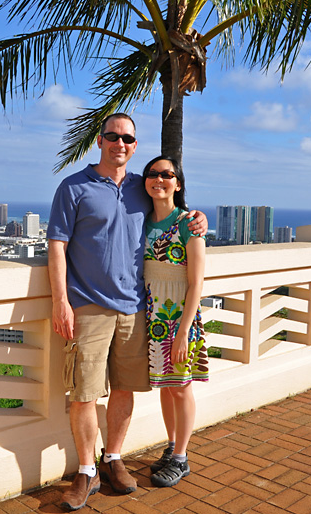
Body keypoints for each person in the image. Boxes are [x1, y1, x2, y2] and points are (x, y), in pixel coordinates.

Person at [47, 113, 207, 510]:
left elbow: (173, 208)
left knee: (123, 389)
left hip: (136, 309)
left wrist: (198, 216)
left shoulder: (141, 187)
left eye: (128, 138)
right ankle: (87, 471)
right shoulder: (74, 187)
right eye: (113, 136)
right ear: (99, 141)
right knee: (84, 394)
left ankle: (113, 458)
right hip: (88, 306)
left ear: (135, 146)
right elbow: (57, 245)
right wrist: (60, 301)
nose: (120, 143)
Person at [142, 155, 208, 488]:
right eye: (152, 174)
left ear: (177, 183)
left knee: (180, 388)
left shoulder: (188, 223)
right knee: (166, 389)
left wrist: (183, 332)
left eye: (167, 175)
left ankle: (181, 458)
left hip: (178, 317)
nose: (159, 179)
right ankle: (171, 447)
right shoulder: (142, 221)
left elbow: (196, 282)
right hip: (153, 316)